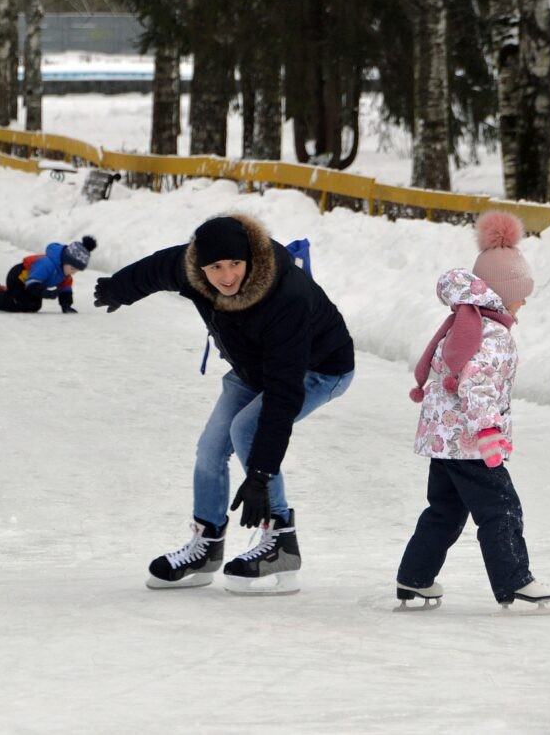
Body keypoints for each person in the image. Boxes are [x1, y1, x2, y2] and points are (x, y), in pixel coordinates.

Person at [92, 214, 355, 595]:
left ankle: (281, 540)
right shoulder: (191, 271)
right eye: (215, 267)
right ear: (199, 266)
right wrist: (120, 289)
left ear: (250, 258)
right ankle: (207, 545)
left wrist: (261, 475)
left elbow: (283, 393)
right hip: (252, 369)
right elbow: (156, 268)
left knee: (246, 429)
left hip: (319, 368)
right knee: (210, 449)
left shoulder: (287, 296)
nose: (227, 276)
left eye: (235, 264)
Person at [395, 211, 550, 610]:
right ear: (503, 293)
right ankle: (515, 579)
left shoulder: (464, 323)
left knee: (445, 511)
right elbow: (477, 383)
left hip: (445, 442)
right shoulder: (492, 334)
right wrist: (489, 433)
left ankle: (415, 577)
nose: (524, 301)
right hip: (470, 443)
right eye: (521, 292)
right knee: (501, 508)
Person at [0, 236, 97, 314]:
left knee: (34, 306)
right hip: (18, 278)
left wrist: (66, 306)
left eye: (77, 270)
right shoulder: (47, 264)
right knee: (23, 304)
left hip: (31, 285)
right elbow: (32, 283)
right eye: (72, 268)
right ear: (65, 260)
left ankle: (1, 290)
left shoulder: (65, 275)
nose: (73, 272)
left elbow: (65, 289)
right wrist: (47, 293)